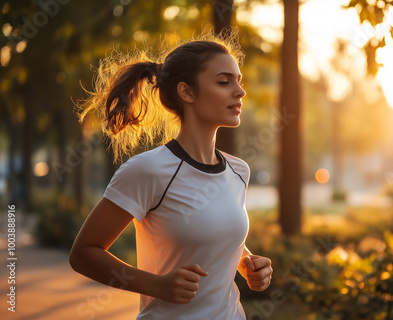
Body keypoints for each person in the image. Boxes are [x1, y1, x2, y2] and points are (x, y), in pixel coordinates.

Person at [69, 32, 273, 320]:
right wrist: (157, 285)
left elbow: (215, 228)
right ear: (187, 92)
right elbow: (83, 253)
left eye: (239, 81)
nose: (239, 92)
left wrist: (248, 263)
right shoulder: (148, 171)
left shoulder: (238, 171)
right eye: (224, 82)